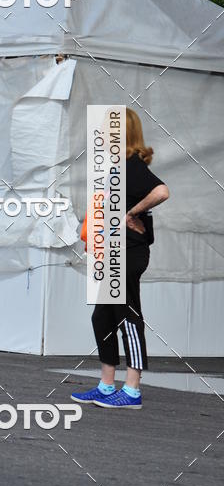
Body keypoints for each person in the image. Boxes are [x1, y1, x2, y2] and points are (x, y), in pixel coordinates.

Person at [72, 108, 170, 410]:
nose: (100, 134)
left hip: (129, 253)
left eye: (106, 130)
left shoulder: (131, 165)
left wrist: (132, 212)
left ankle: (132, 390)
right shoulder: (115, 167)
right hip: (112, 252)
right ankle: (106, 384)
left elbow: (162, 191)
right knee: (102, 316)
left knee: (127, 317)